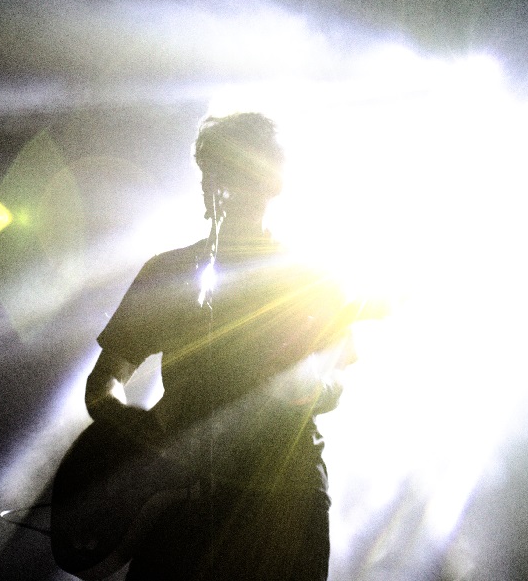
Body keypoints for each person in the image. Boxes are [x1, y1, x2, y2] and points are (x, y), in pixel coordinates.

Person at [84, 112, 356, 580]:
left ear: (273, 183)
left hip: (282, 501)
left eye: (243, 172)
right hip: (179, 499)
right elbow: (103, 379)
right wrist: (131, 428)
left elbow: (336, 379)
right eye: (216, 171)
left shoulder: (309, 277)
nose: (225, 185)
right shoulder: (169, 270)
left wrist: (303, 390)